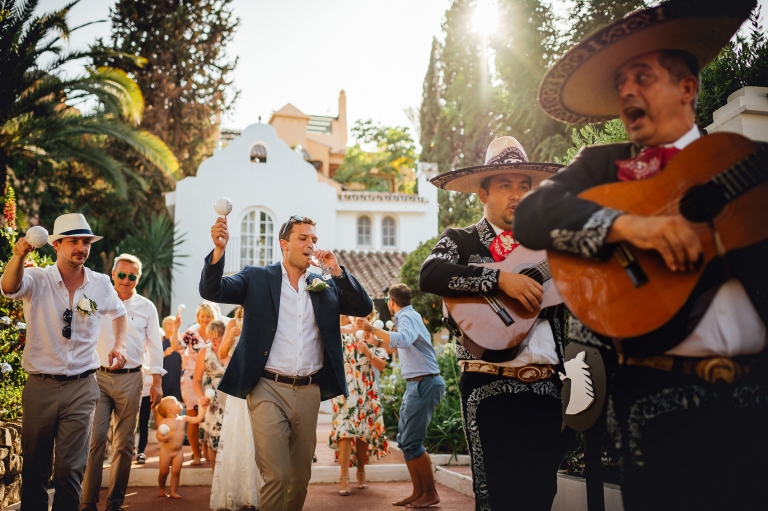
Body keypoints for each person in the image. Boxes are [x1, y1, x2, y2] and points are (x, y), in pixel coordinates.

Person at [514, 2, 766, 510]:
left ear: (687, 88)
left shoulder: (743, 161)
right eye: (621, 81)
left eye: (643, 76)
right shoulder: (602, 166)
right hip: (655, 404)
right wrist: (629, 225)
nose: (626, 89)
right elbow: (533, 215)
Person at [418, 136, 568, 510]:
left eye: (523, 186)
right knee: (497, 499)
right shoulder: (461, 240)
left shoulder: (549, 246)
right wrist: (501, 280)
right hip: (489, 388)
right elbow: (430, 273)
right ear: (482, 194)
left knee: (541, 496)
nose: (517, 194)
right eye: (505, 185)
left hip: (547, 390)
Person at [199, 214, 373, 511]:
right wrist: (218, 252)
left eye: (314, 239)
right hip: (267, 387)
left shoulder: (324, 283)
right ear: (284, 244)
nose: (310, 245)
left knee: (300, 477)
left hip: (309, 391)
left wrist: (336, 270)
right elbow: (213, 291)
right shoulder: (256, 276)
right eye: (303, 238)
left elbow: (363, 307)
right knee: (276, 475)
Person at [0, 213, 128, 510]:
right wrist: (18, 255)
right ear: (56, 244)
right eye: (73, 241)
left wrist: (119, 345)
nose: (81, 247)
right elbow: (8, 287)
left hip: (82, 385)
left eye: (86, 242)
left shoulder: (99, 283)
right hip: (40, 385)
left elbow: (119, 313)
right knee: (34, 469)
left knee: (71, 470)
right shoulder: (36, 278)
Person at [81, 253, 166, 511]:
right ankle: (88, 502)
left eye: (132, 276)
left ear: (138, 278)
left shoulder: (147, 307)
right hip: (99, 377)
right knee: (95, 439)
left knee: (125, 444)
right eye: (122, 275)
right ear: (113, 274)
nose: (126, 280)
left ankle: (115, 504)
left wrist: (157, 380)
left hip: (132, 379)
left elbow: (155, 345)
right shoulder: (96, 300)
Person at [357, 284, 445, 509]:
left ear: (391, 302)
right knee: (406, 442)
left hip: (424, 382)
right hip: (416, 383)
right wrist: (374, 342)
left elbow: (403, 340)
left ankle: (430, 493)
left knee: (412, 443)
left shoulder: (407, 317)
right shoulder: (409, 316)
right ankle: (418, 492)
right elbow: (401, 346)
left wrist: (373, 329)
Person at [329, 315, 389, 496]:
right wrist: (350, 329)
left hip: (366, 389)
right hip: (345, 388)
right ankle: (344, 476)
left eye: (366, 315)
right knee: (345, 431)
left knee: (364, 431)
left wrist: (368, 352)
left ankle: (361, 471)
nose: (362, 318)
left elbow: (382, 366)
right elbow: (324, 330)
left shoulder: (374, 339)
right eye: (358, 314)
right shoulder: (343, 335)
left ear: (371, 317)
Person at [210, 306, 261, 510]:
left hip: (260, 385)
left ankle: (257, 492)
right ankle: (238, 492)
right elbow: (222, 353)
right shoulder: (233, 322)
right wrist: (230, 337)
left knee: (257, 436)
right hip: (239, 387)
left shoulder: (264, 317)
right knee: (238, 434)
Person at [171, 302, 217, 465]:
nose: (206, 319)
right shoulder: (191, 333)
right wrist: (176, 328)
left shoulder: (217, 332)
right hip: (191, 379)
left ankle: (207, 451)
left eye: (209, 316)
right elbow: (175, 346)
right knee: (193, 415)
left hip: (211, 379)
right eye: (202, 316)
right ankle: (196, 454)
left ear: (214, 317)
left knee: (209, 416)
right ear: (198, 317)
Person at [155, 396, 208, 499]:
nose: (179, 402)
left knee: (176, 472)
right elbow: (158, 434)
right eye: (176, 402)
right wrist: (162, 438)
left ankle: (173, 491)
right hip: (166, 451)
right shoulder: (164, 422)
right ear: (170, 410)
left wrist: (204, 409)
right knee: (164, 472)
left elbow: (197, 419)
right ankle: (162, 489)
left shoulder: (183, 418)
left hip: (178, 452)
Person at [193, 319, 228, 473]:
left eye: (217, 337)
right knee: (213, 440)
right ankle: (216, 480)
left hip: (232, 402)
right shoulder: (204, 352)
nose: (213, 341)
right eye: (210, 337)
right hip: (212, 405)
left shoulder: (234, 350)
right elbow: (196, 380)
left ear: (224, 335)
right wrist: (201, 397)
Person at [136, 351, 154, 464]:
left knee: (144, 423)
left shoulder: (152, 354)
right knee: (128, 422)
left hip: (146, 394)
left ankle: (141, 451)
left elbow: (155, 375)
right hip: (130, 392)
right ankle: (129, 449)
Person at [161, 315, 183, 403]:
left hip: (177, 372)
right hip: (165, 373)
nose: (171, 326)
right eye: (169, 324)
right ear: (164, 325)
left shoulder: (180, 339)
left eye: (173, 324)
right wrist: (164, 354)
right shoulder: (160, 340)